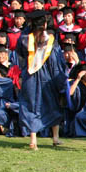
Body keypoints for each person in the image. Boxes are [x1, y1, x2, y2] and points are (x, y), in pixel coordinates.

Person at [16, 10, 66, 149]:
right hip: (47, 77)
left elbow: (19, 57)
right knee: (52, 104)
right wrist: (59, 79)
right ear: (44, 24)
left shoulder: (24, 39)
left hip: (29, 77)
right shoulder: (50, 40)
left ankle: (33, 141)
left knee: (31, 105)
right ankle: (55, 138)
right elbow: (55, 62)